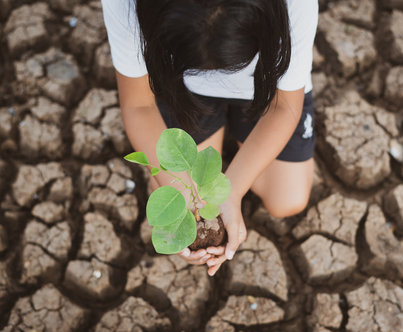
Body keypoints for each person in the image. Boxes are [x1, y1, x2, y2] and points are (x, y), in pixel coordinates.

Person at [101, 0, 319, 276]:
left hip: (265, 91)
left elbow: (284, 106)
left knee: (286, 199)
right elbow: (138, 106)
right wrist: (184, 197)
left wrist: (232, 191)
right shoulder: (126, 5)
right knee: (184, 187)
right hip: (181, 91)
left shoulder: (295, 6)